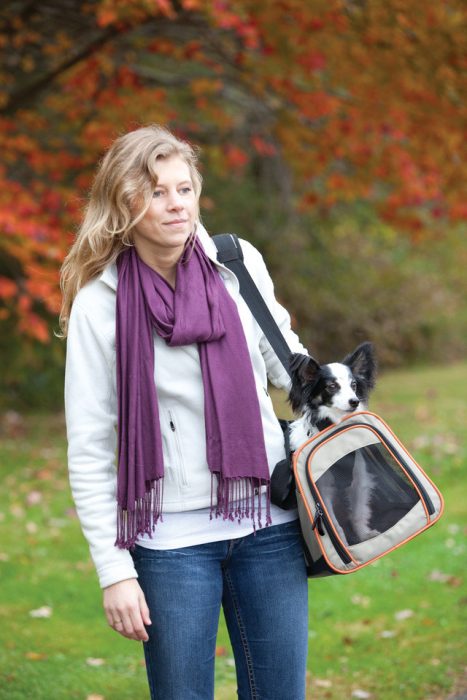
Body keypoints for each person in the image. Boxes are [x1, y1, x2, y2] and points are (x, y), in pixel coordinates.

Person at [60, 124, 309, 700]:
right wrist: (115, 572)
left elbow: (288, 364)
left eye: (184, 188)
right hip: (169, 542)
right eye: (156, 192)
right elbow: (92, 448)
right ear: (124, 205)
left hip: (268, 523)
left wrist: (343, 392)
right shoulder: (101, 302)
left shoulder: (235, 262)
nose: (176, 205)